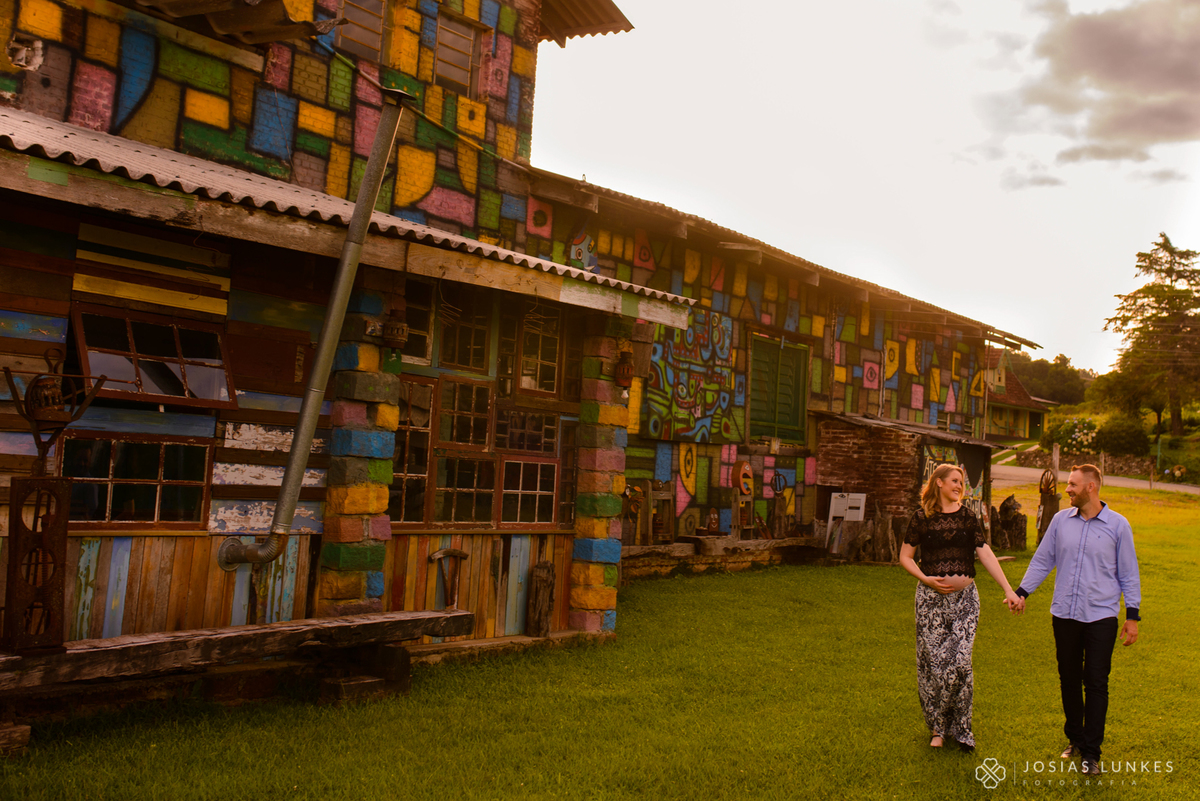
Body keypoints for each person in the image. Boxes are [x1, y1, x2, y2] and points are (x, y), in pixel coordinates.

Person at [1013, 464, 1140, 776]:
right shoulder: (1060, 521)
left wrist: (1132, 616)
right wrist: (1022, 592)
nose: (1067, 489)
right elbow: (1044, 559)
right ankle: (1075, 738)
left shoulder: (1118, 525)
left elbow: (1128, 573)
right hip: (1065, 614)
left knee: (1096, 681)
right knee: (1069, 678)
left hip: (1101, 616)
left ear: (1091, 487)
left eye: (1072, 484)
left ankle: (1092, 753)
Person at [900, 463, 1023, 752]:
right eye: (954, 480)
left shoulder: (968, 518)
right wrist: (925, 578)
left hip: (966, 600)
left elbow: (986, 553)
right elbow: (905, 557)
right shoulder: (921, 518)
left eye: (962, 482)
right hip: (930, 601)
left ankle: (963, 729)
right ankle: (939, 727)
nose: (959, 486)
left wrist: (1008, 589)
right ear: (939, 483)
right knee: (936, 666)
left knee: (960, 662)